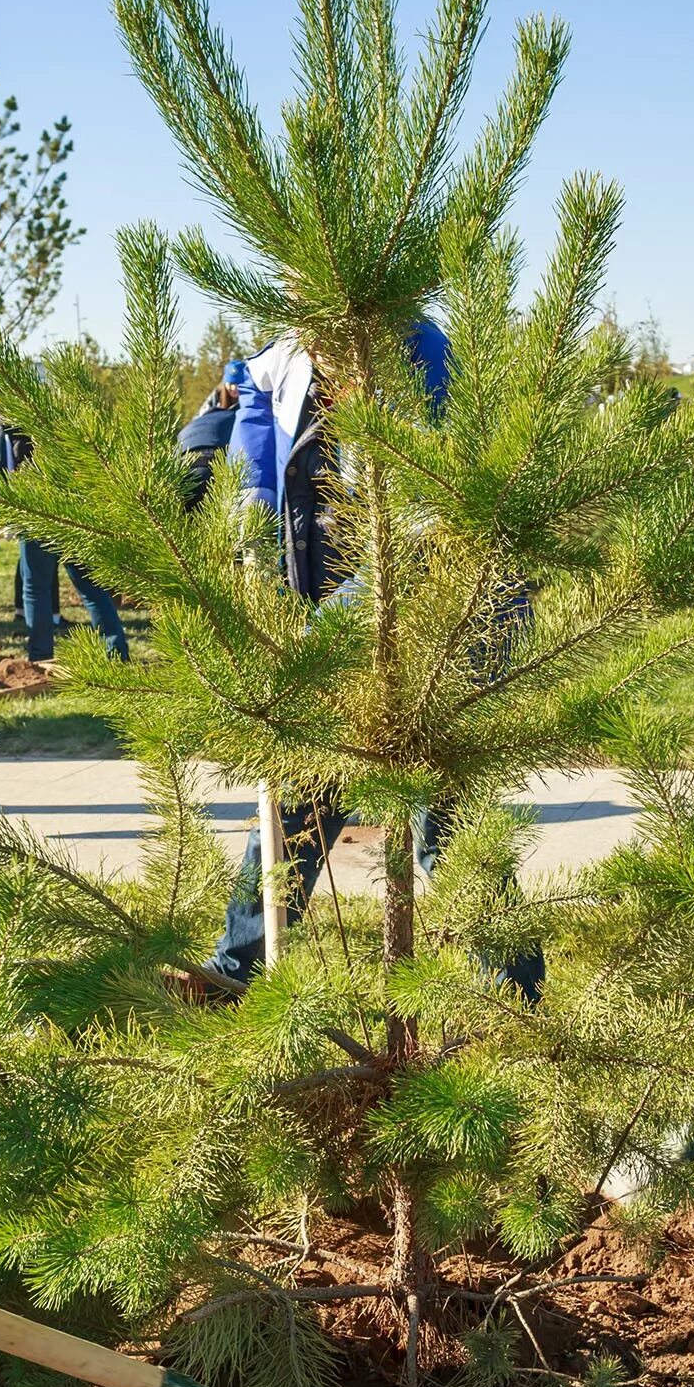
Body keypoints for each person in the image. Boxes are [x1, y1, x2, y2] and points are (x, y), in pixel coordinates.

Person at [200, 324, 544, 1001]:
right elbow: (243, 463)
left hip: (441, 620)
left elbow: (429, 535)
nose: (323, 337)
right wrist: (246, 555)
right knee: (301, 794)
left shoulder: (422, 357)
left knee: (445, 812)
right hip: (343, 624)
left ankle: (513, 996)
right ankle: (239, 971)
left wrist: (315, 647)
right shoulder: (280, 365)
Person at [0, 384, 129, 664]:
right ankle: (117, 652)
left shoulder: (3, 430)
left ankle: (40, 655)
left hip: (36, 515)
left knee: (35, 587)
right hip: (73, 511)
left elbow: (3, 475)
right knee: (90, 586)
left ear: (0, 399)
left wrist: (8, 516)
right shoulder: (51, 418)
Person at [177, 358, 246, 508]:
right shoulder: (214, 400)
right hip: (200, 450)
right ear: (224, 383)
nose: (234, 388)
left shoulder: (250, 401)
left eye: (238, 384)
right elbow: (200, 420)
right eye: (231, 383)